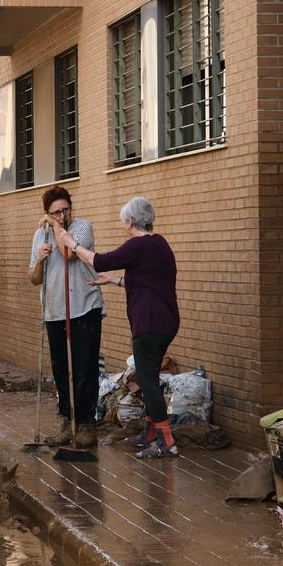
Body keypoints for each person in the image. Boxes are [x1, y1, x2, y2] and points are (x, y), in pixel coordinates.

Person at [60, 196, 180, 458]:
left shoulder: (137, 245)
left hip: (148, 323)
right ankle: (150, 433)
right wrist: (115, 281)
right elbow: (149, 281)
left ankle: (166, 442)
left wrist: (73, 244)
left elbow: (99, 260)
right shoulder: (160, 244)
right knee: (148, 377)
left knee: (147, 380)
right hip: (166, 321)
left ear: (130, 221)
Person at [28, 186, 105, 448]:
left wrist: (54, 224)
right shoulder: (40, 235)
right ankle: (66, 421)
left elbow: (69, 253)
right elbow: (34, 279)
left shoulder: (83, 227)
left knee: (84, 367)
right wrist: (39, 260)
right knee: (61, 369)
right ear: (47, 212)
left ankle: (85, 424)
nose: (61, 215)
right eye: (55, 212)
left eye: (64, 210)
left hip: (84, 307)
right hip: (54, 310)